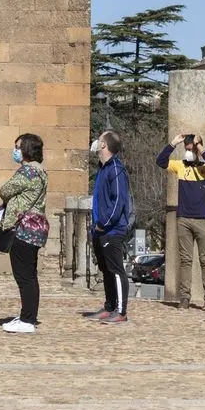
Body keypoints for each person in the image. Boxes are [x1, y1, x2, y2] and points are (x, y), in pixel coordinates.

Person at [156, 133, 205, 311]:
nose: (188, 151)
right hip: (183, 218)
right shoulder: (181, 166)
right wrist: (173, 144)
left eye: (191, 148)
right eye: (187, 148)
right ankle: (184, 298)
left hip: (203, 219)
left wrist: (200, 147)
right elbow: (160, 162)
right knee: (185, 260)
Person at [0, 133, 49, 334]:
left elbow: (5, 190)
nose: (15, 150)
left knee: (24, 277)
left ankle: (28, 320)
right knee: (30, 275)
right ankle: (28, 315)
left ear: (26, 149)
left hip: (24, 230)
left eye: (18, 147)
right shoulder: (41, 171)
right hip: (35, 229)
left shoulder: (27, 172)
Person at [87, 130, 133, 325]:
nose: (96, 143)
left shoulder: (115, 168)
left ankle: (121, 311)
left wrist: (102, 224)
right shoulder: (103, 168)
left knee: (115, 270)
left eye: (99, 140)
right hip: (100, 230)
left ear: (104, 145)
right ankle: (109, 306)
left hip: (111, 230)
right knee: (106, 270)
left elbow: (118, 201)